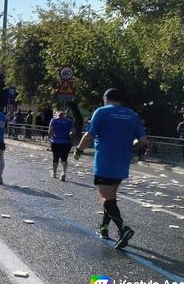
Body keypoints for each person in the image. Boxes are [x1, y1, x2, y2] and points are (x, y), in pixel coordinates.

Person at [74, 88, 148, 250]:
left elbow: (89, 135)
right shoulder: (132, 115)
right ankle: (104, 228)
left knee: (105, 198)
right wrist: (130, 146)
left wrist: (78, 150)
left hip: (105, 162)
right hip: (122, 162)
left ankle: (124, 229)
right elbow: (143, 140)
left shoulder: (101, 112)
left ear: (106, 98)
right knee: (111, 197)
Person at [48, 110, 74, 181]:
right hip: (66, 142)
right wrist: (69, 135)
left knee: (55, 157)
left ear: (57, 115)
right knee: (64, 158)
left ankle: (54, 173)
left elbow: (50, 131)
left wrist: (51, 137)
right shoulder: (69, 121)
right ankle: (63, 172)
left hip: (56, 141)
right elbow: (72, 131)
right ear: (64, 115)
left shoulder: (53, 120)